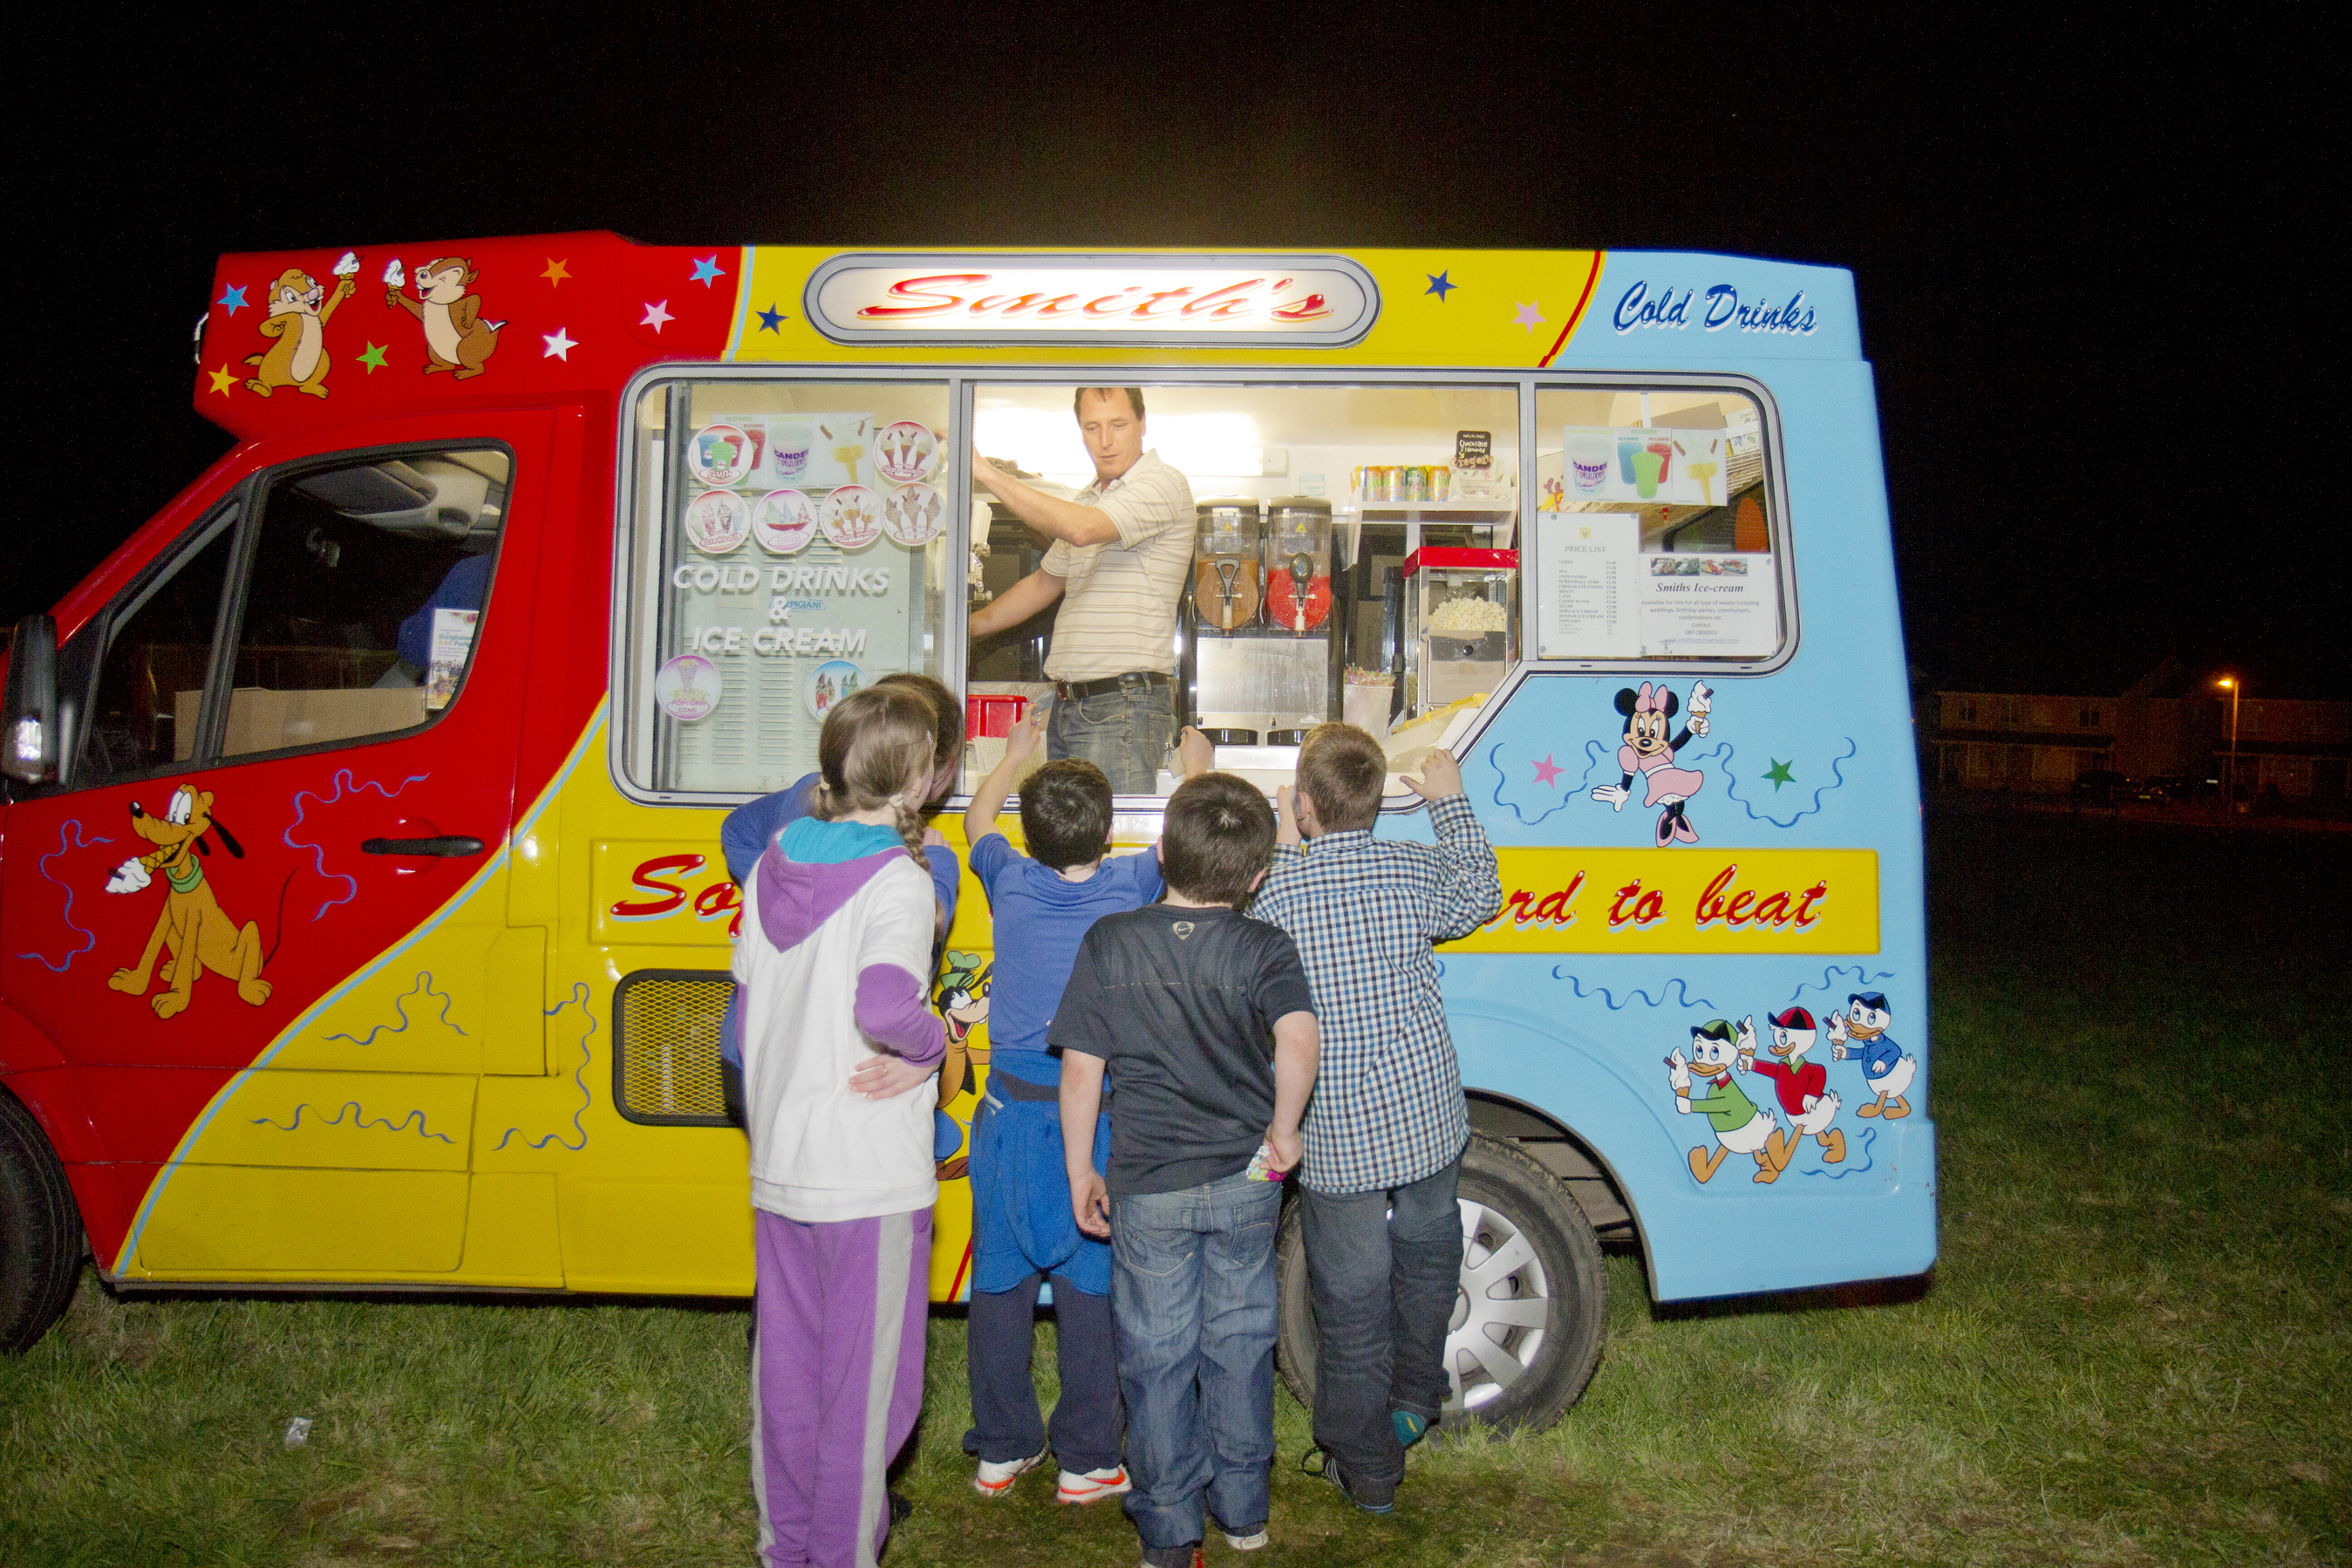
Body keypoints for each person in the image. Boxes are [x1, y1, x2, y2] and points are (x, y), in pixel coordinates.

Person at [1052, 772, 1320, 1567]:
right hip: (1247, 1181)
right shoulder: (1265, 945)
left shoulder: (1110, 941)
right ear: (1259, 876)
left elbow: (1080, 1071)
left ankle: (1169, 1528)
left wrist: (1078, 1173)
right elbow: (1298, 1040)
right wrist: (1284, 1128)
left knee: (1157, 1353)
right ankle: (1243, 1509)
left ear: (1159, 852)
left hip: (1149, 1186)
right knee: (1239, 1340)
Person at [956, 707, 1213, 1504]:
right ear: (1108, 836)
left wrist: (1011, 756)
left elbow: (973, 819)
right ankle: (1086, 1457)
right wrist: (1194, 767)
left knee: (997, 1285)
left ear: (1028, 836)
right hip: (1092, 1118)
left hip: (1004, 1111)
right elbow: (1191, 838)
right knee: (1090, 1289)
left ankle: (1001, 1447)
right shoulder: (1130, 882)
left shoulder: (1006, 875)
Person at [1247, 723, 1502, 1513]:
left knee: (1349, 1302)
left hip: (1336, 1136)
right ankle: (1411, 1405)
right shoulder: (1410, 866)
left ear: (1307, 804)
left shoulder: (1279, 891)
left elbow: (1257, 902)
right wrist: (1450, 805)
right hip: (1425, 1115)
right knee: (1428, 1267)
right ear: (1378, 802)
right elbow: (1481, 892)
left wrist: (1286, 831)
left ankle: (1368, 1469)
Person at [732, 683, 950, 1568]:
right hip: (867, 1174)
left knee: (786, 1377)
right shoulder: (899, 880)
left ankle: (787, 1552)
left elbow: (746, 1019)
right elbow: (885, 1001)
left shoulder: (776, 857)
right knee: (864, 1396)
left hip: (783, 1163)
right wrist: (937, 1042)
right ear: (921, 781)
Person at [718, 672, 965, 1126]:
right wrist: (943, 872)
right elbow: (906, 975)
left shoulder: (816, 792)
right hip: (845, 1075)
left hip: (753, 1058)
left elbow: (736, 828)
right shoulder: (906, 864)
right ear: (931, 770)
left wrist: (772, 882)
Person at [968, 387, 1194, 794]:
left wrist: (985, 473)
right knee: (1071, 844)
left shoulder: (1163, 484)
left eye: (1118, 425)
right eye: (1093, 427)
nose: (1105, 441)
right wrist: (965, 628)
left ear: (1142, 425)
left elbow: (1081, 529)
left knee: (1109, 844)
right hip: (1070, 707)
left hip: (1121, 705)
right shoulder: (1091, 498)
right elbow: (1042, 583)